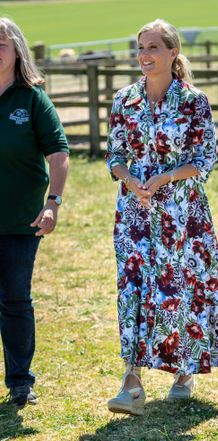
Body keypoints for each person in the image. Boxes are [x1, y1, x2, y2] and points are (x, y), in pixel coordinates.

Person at [105, 18, 218, 416]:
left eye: (154, 47)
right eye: (141, 47)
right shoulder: (124, 99)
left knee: (180, 288)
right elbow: (114, 156)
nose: (144, 55)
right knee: (133, 290)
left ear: (173, 52)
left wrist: (164, 177)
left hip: (183, 215)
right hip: (134, 214)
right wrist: (129, 179)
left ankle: (184, 370)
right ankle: (132, 379)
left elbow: (205, 157)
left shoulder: (194, 101)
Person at [0, 18, 69, 407]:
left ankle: (20, 381)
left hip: (19, 222)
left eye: (1, 42)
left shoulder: (32, 99)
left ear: (17, 50)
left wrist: (52, 203)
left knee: (13, 299)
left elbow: (58, 154)